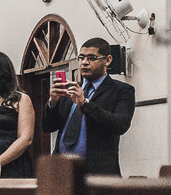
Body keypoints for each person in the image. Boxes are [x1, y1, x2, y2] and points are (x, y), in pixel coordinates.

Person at [41, 38, 135, 175]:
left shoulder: (121, 90)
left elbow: (121, 124)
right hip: (62, 169)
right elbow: (48, 127)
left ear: (108, 60)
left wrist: (84, 104)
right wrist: (53, 102)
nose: (84, 63)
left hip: (98, 171)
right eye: (81, 58)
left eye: (92, 58)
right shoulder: (70, 89)